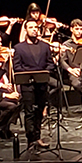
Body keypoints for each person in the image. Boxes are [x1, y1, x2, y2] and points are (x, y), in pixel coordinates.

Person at [14, 19, 55, 150]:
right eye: (31, 27)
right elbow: (17, 66)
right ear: (26, 30)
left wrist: (44, 71)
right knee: (29, 112)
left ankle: (37, 137)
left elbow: (50, 63)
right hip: (27, 85)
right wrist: (31, 73)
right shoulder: (19, 48)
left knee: (39, 112)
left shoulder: (44, 46)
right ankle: (30, 139)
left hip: (42, 84)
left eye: (36, 27)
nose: (34, 29)